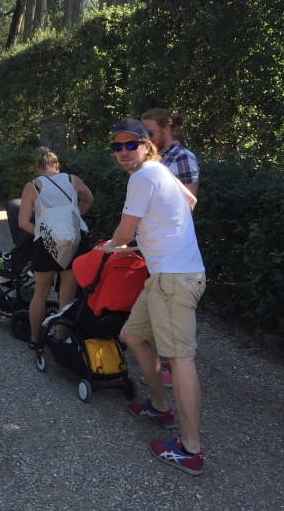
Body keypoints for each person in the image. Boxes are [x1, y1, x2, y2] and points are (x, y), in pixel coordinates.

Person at [99, 118, 206, 476]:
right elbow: (190, 200)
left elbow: (123, 234)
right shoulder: (161, 171)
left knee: (180, 358)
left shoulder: (143, 177)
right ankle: (160, 407)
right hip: (167, 275)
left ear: (148, 145)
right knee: (132, 335)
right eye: (117, 146)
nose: (124, 152)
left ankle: (190, 450)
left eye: (132, 144)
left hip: (173, 278)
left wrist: (109, 246)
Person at [141, 108, 200, 387]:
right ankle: (166, 362)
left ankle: (172, 367)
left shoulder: (182, 158)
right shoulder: (157, 158)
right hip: (157, 249)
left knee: (173, 314)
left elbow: (188, 205)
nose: (146, 139)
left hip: (172, 253)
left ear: (167, 128)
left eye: (150, 133)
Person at [18, 147, 93, 350]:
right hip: (74, 241)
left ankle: (35, 339)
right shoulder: (72, 180)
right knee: (67, 296)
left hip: (46, 244)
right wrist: (74, 218)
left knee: (40, 293)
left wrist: (43, 232)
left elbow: (23, 223)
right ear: (58, 166)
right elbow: (89, 199)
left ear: (39, 169)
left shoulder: (33, 186)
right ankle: (60, 340)